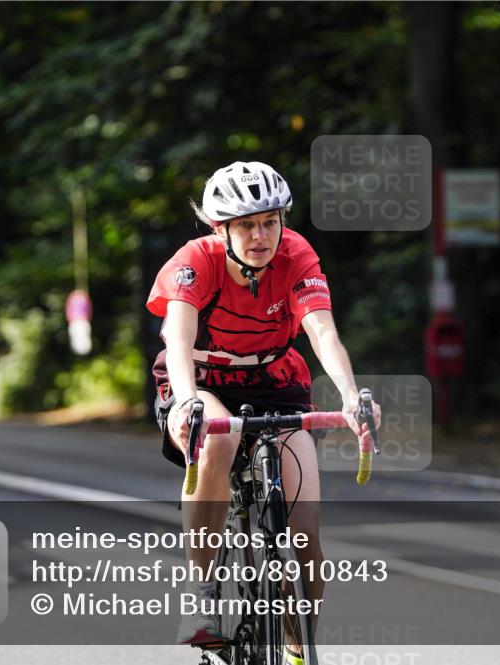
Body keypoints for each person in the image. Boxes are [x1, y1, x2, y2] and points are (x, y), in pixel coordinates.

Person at [146, 161, 380, 661]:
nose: (261, 235)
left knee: (306, 533)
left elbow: (321, 332)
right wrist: (187, 402)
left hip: (273, 381)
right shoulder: (196, 261)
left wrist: (351, 395)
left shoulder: (296, 256)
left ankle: (299, 649)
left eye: (270, 221)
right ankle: (202, 595)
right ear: (221, 229)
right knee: (218, 436)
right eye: (247, 224)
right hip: (200, 379)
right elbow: (179, 337)